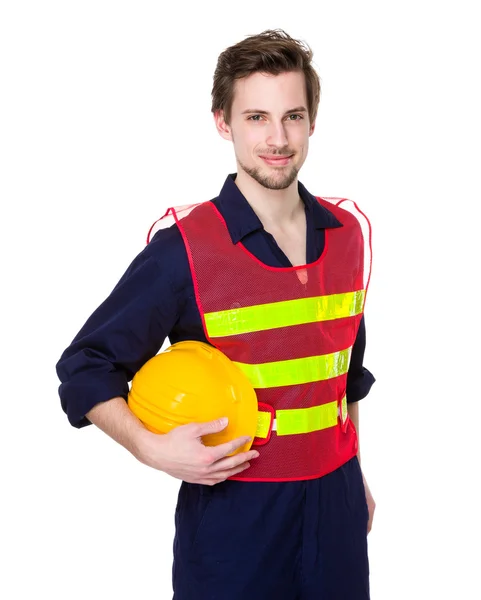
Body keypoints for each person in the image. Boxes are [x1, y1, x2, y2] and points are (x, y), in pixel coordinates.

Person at [56, 28, 376, 600]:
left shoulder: (347, 235)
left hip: (338, 507)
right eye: (257, 117)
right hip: (237, 515)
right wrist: (151, 448)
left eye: (292, 116)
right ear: (223, 123)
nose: (278, 138)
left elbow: (344, 376)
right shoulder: (186, 249)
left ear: (311, 121)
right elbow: (86, 365)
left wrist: (358, 478)